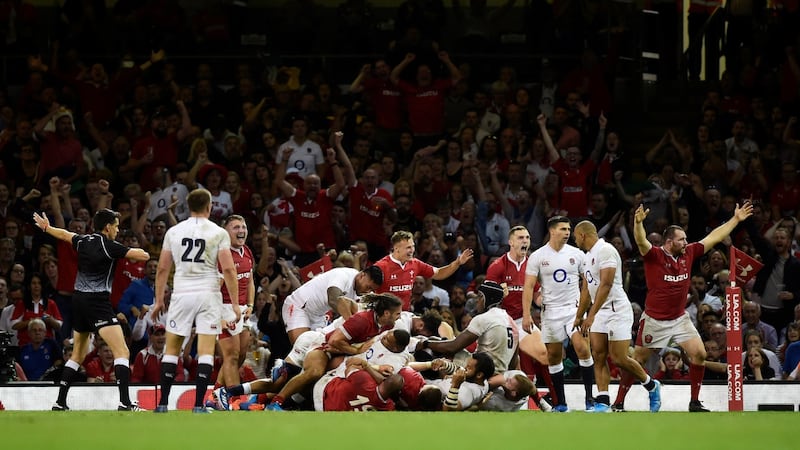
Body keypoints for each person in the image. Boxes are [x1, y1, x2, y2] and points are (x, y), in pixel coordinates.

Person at [615, 201, 753, 412]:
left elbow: (713, 237)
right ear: (669, 242)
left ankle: (694, 402)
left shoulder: (688, 253)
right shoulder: (655, 255)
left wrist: (735, 219)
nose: (686, 242)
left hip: (679, 318)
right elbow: (641, 240)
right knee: (637, 361)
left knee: (699, 354)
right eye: (682, 239)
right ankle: (618, 403)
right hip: (654, 320)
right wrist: (638, 223)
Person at [33, 208, 150, 411]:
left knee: (77, 354)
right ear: (107, 227)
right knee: (122, 351)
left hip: (78, 301)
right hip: (97, 303)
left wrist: (47, 228)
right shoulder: (110, 246)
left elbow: (63, 234)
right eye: (116, 226)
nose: (117, 229)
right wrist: (136, 250)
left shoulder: (84, 241)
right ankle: (125, 402)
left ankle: (60, 402)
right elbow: (143, 256)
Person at [150, 188, 240, 413]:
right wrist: (236, 304)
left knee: (172, 350)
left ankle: (162, 404)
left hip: (181, 293)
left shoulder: (174, 232)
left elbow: (162, 269)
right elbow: (228, 269)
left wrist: (159, 300)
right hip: (208, 293)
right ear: (209, 206)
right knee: (206, 350)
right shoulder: (219, 233)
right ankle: (199, 405)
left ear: (188, 207)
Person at [572, 220, 661, 413]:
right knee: (598, 355)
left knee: (619, 358)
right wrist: (580, 316)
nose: (575, 241)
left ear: (582, 235)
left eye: (575, 237)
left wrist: (591, 315)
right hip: (599, 311)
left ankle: (651, 386)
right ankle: (603, 401)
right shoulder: (587, 257)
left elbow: (606, 284)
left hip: (616, 310)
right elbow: (586, 289)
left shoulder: (606, 250)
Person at [522, 216, 595, 412]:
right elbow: (528, 286)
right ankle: (561, 403)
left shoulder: (577, 254)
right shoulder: (537, 256)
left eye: (568, 229)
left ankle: (590, 399)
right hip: (550, 312)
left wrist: (585, 310)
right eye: (563, 229)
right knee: (554, 356)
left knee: (582, 349)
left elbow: (587, 281)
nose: (567, 232)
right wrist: (527, 314)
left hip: (574, 310)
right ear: (552, 231)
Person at [484, 225, 554, 402]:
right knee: (499, 367)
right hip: (501, 322)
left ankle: (556, 400)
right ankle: (482, 397)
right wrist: (499, 296)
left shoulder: (533, 265)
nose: (525, 241)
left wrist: (545, 300)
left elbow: (537, 295)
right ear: (511, 242)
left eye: (527, 238)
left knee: (545, 356)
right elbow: (486, 300)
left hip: (522, 319)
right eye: (521, 238)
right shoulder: (497, 266)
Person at [427, 281, 519, 374]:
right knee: (437, 341)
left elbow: (452, 347)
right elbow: (514, 362)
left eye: (479, 296)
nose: (476, 301)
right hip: (501, 374)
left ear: (484, 298)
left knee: (440, 349)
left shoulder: (485, 318)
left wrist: (425, 343)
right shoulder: (512, 323)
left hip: (482, 373)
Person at [374, 230, 474, 311]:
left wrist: (457, 263)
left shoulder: (415, 263)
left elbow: (439, 273)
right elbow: (364, 288)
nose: (412, 250)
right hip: (383, 314)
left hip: (405, 315)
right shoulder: (381, 266)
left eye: (413, 246)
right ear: (396, 249)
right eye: (408, 247)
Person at [282, 266, 384, 344]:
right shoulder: (343, 275)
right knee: (300, 347)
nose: (368, 291)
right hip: (298, 306)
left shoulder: (363, 290)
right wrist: (352, 322)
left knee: (315, 349)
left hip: (319, 315)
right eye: (367, 287)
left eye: (371, 289)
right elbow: (333, 300)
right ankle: (281, 369)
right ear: (362, 275)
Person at [216, 215, 256, 390]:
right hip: (225, 308)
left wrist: (251, 305)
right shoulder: (222, 255)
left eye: (244, 227)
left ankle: (216, 394)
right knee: (231, 356)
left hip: (243, 310)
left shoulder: (246, 251)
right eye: (236, 227)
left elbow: (250, 281)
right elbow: (214, 289)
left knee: (240, 356)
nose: (241, 231)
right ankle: (234, 398)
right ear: (225, 232)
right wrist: (218, 317)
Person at [313, 357, 404, 411]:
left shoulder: (364, 379)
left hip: (324, 393)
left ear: (383, 379)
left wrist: (369, 367)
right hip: (329, 414)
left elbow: (350, 365)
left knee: (341, 369)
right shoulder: (388, 408)